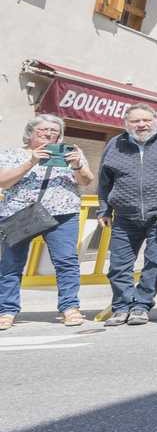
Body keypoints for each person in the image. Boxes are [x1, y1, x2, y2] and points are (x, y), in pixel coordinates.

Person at [96, 104, 157, 325]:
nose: (142, 125)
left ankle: (141, 305)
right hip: (125, 215)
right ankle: (121, 306)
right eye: (136, 121)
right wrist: (104, 209)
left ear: (156, 120)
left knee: (156, 260)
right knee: (119, 264)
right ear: (126, 124)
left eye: (146, 120)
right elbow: (104, 180)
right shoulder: (115, 144)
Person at [0, 114, 95, 330]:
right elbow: (3, 181)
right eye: (43, 130)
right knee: (10, 264)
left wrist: (78, 165)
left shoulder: (71, 152)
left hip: (62, 214)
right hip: (19, 214)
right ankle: (6, 310)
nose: (49, 134)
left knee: (66, 261)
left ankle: (70, 308)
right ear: (30, 133)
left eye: (54, 131)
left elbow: (87, 180)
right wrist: (31, 162)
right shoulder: (12, 153)